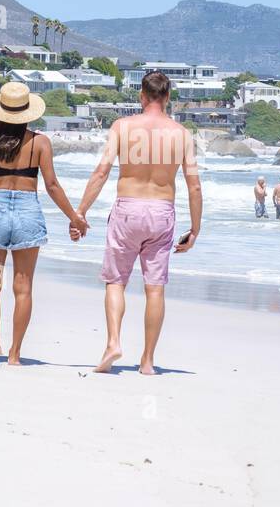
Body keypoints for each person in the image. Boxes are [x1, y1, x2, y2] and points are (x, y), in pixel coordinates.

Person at [72, 70, 203, 374]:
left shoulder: (122, 127)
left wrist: (81, 212)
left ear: (142, 96)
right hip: (162, 212)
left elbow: (102, 172)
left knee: (116, 281)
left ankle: (113, 342)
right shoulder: (181, 134)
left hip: (127, 211)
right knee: (154, 289)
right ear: (168, 97)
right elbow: (194, 186)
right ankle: (147, 362)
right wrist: (195, 230)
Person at [0, 81, 88, 364]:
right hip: (28, 211)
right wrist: (74, 217)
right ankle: (15, 355)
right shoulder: (40, 143)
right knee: (24, 288)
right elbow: (52, 185)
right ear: (28, 112)